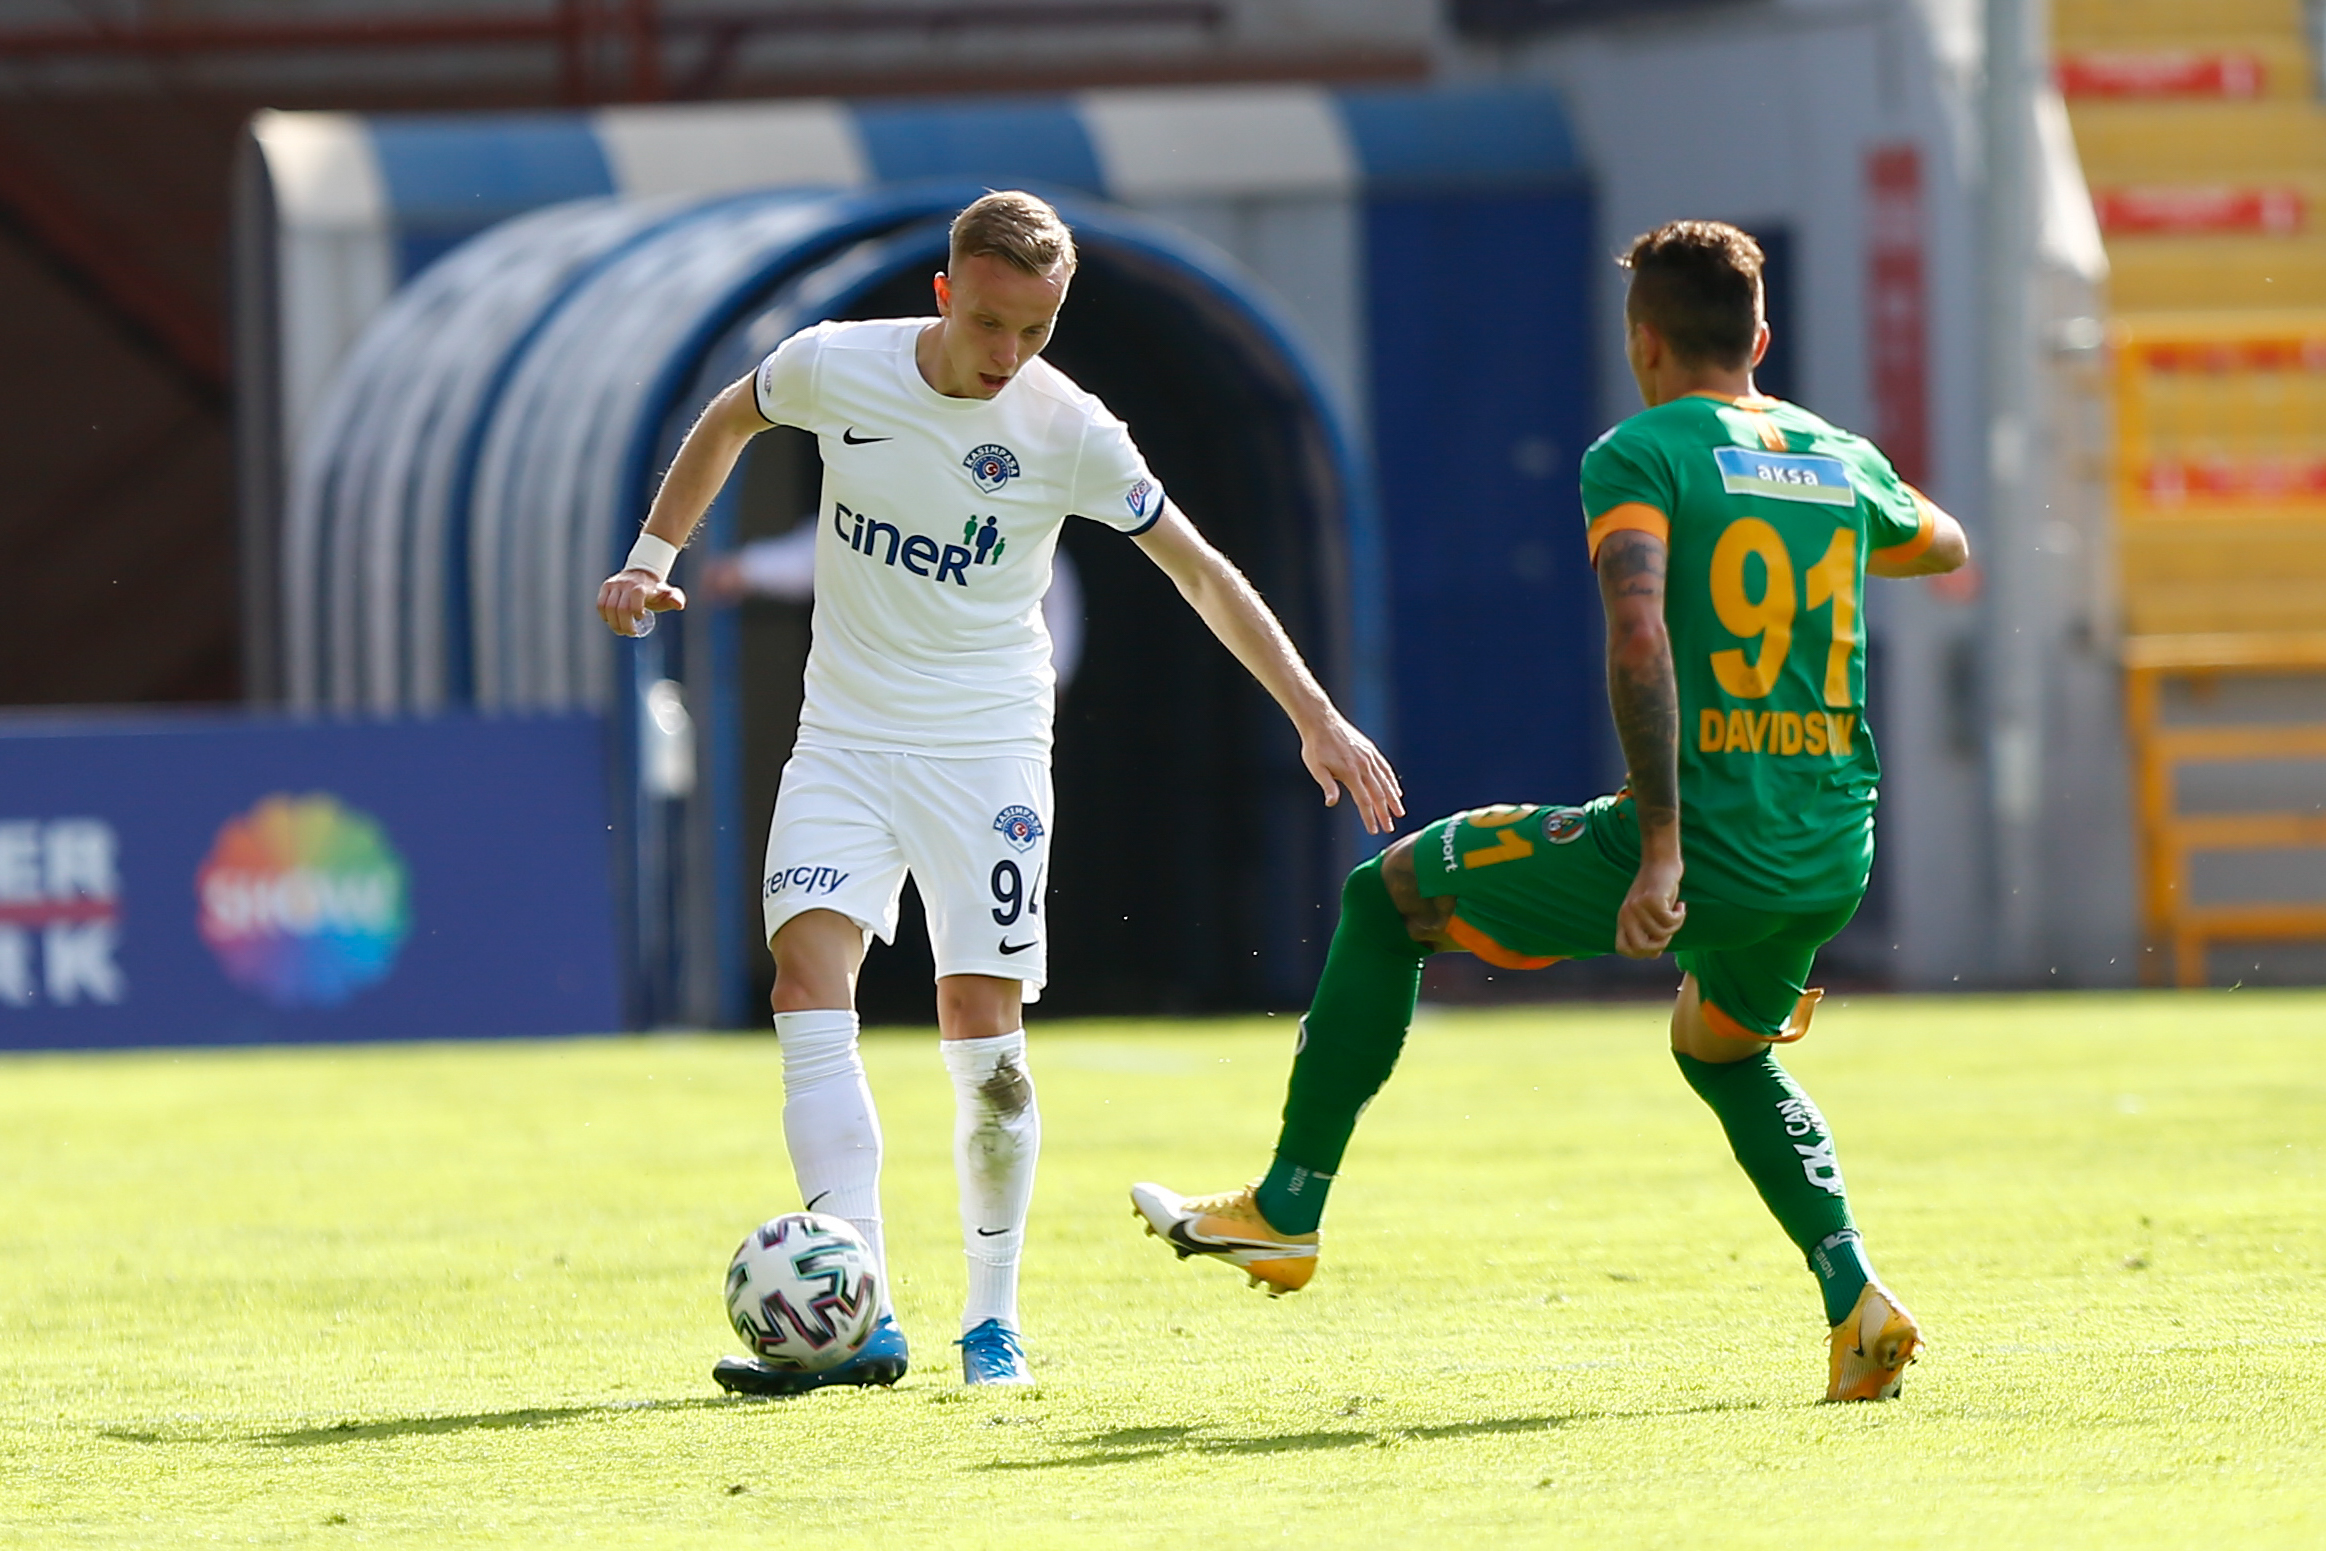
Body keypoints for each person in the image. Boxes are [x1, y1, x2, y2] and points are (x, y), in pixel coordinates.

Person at [1131, 220, 1969, 1404]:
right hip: (1830, 847)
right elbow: (1943, 545)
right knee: (1721, 1048)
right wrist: (1813, 506)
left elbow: (1637, 636)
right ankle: (1855, 1296)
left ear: (1644, 342)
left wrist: (1660, 848)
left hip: (1703, 841)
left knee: (1388, 896)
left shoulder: (1640, 453)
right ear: (1760, 340)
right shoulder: (1838, 458)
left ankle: (1287, 1208)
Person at [596, 190, 1401, 1392]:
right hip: (844, 740)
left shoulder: (1068, 430)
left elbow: (1198, 572)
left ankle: (991, 1322)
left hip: (986, 752)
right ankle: (858, 1316)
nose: (1008, 353)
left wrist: (1314, 714)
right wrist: (651, 557)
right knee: (806, 984)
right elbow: (729, 417)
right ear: (944, 294)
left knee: (981, 1024)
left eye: (1035, 329)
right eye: (988, 323)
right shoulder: (837, 366)